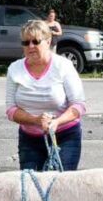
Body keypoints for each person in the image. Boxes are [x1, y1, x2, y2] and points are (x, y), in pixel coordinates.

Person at [5, 19, 86, 171]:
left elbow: (79, 105)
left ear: (48, 41)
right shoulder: (14, 69)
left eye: (35, 41)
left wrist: (57, 122)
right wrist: (35, 120)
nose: (30, 46)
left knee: (59, 187)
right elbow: (10, 110)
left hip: (65, 136)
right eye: (26, 42)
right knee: (31, 187)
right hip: (29, 139)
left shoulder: (63, 66)